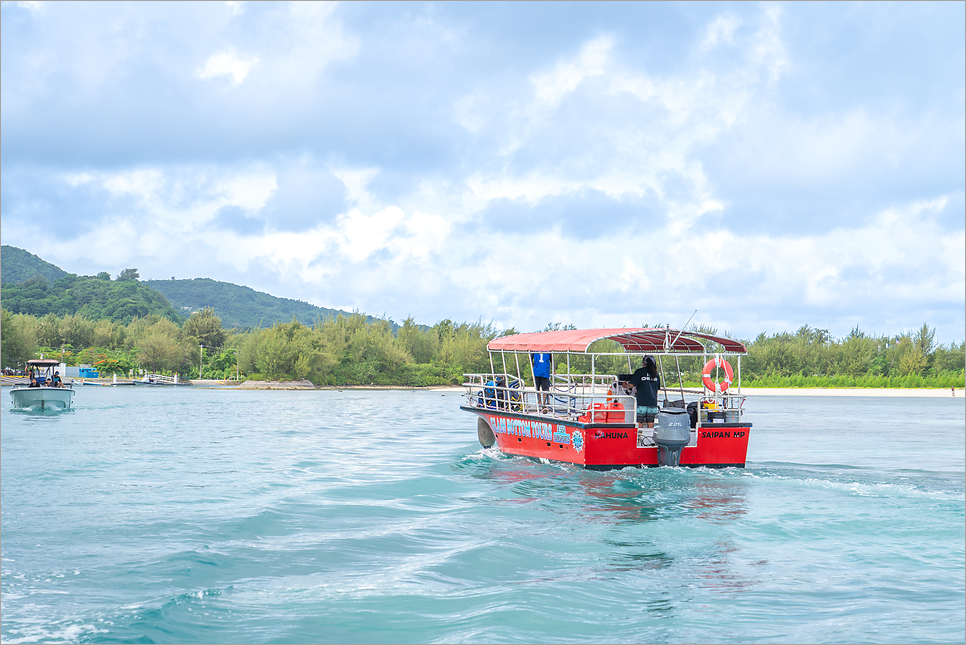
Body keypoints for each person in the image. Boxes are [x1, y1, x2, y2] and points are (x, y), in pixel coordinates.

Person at [630, 356, 660, 429]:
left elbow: (631, 385)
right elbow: (657, 388)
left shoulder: (639, 372)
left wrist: (624, 385)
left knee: (639, 421)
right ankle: (649, 438)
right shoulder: (656, 374)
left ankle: (641, 437)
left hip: (642, 402)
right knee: (650, 421)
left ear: (643, 362)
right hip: (653, 402)